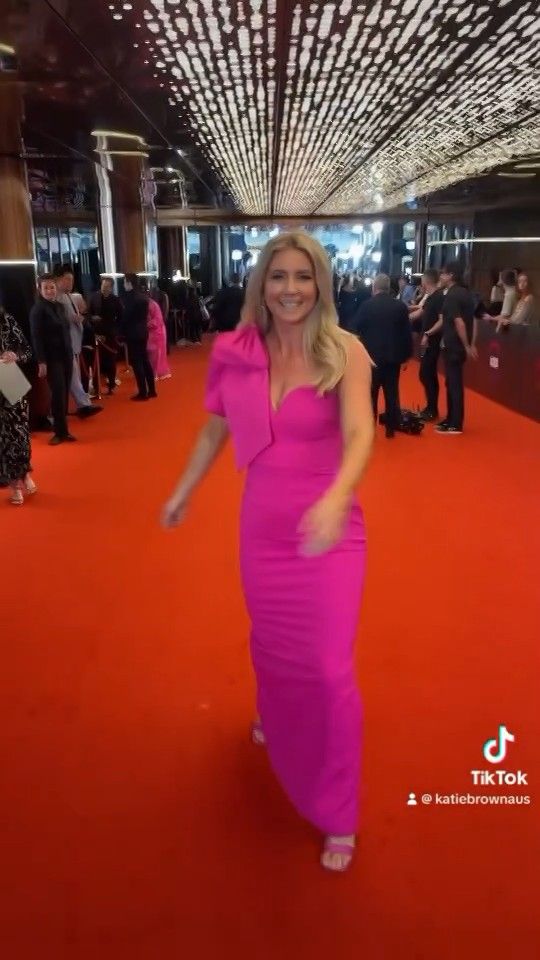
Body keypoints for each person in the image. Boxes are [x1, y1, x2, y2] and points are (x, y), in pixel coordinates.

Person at [162, 231, 374, 873]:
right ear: (262, 285)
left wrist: (338, 496)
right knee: (273, 642)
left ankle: (338, 810)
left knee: (329, 670)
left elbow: (361, 433)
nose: (290, 289)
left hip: (330, 531)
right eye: (278, 276)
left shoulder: (345, 352)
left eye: (303, 277)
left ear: (321, 285)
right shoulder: (240, 351)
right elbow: (214, 432)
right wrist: (183, 491)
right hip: (262, 529)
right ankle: (271, 712)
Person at [353, 273, 413, 438]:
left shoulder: (366, 306)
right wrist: (406, 356)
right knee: (391, 393)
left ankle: (370, 426)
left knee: (371, 393)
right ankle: (390, 429)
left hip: (371, 358)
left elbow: (355, 329)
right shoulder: (400, 307)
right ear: (388, 288)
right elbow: (406, 334)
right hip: (393, 358)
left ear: (374, 287)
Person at [423, 261, 477, 435]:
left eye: (443, 273)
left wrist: (467, 345)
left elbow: (459, 322)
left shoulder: (453, 296)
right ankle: (451, 419)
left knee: (454, 384)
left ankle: (455, 423)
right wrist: (471, 343)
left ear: (451, 275)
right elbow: (473, 321)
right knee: (452, 383)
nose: (441, 276)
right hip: (456, 345)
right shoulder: (465, 293)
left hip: (454, 345)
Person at [29, 274, 77, 445]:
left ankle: (64, 431)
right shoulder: (37, 310)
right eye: (46, 288)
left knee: (64, 394)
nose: (50, 290)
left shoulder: (60, 307)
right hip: (51, 358)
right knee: (57, 393)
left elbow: (66, 332)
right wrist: (41, 361)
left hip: (66, 355)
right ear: (39, 289)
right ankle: (58, 432)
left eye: (52, 287)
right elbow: (36, 337)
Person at [53, 266, 102, 419]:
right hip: (65, 345)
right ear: (58, 279)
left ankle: (82, 405)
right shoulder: (57, 298)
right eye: (67, 279)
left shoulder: (69, 296)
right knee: (72, 378)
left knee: (73, 377)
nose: (70, 283)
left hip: (74, 343)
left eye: (72, 280)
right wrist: (72, 319)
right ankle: (83, 405)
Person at [0, 306, 37, 504]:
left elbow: (27, 351)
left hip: (10, 379)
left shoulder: (7, 320)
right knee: (3, 438)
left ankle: (24, 473)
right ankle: (14, 484)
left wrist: (15, 356)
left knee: (20, 432)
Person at [121, 274, 157, 401]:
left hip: (133, 333)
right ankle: (152, 390)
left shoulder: (130, 298)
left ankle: (143, 392)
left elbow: (126, 317)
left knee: (137, 363)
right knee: (145, 361)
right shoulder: (143, 297)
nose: (123, 285)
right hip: (143, 331)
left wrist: (120, 330)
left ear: (129, 283)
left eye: (124, 282)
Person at [418, 269, 445, 421]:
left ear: (426, 281)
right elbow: (420, 312)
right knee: (427, 374)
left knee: (427, 374)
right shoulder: (430, 297)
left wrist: (428, 333)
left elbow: (442, 320)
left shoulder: (439, 297)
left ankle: (432, 408)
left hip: (432, 341)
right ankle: (430, 407)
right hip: (427, 340)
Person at [88, 277, 123, 395]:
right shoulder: (93, 297)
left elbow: (121, 317)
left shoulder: (115, 300)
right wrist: (92, 319)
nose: (104, 288)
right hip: (96, 334)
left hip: (110, 335)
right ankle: (96, 386)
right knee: (96, 362)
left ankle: (111, 384)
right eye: (103, 286)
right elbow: (88, 314)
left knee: (111, 361)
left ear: (111, 288)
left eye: (107, 286)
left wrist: (115, 330)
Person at [143, 283, 171, 380]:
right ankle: (153, 373)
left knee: (156, 355)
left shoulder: (152, 304)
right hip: (152, 332)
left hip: (157, 332)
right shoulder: (147, 303)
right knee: (152, 354)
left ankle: (155, 373)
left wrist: (146, 324)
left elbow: (158, 319)